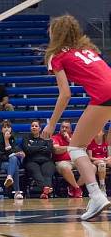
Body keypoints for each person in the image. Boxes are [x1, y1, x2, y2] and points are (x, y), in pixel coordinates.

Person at [41, 14, 111, 220]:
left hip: (104, 94)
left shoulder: (56, 56)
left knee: (75, 147)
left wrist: (51, 125)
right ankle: (97, 195)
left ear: (55, 33)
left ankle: (97, 194)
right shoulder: (87, 49)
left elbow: (65, 94)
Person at [0, 120, 25, 200]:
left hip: (11, 162)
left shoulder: (13, 139)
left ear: (11, 129)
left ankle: (9, 177)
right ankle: (17, 192)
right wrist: (6, 141)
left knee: (14, 160)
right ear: (1, 130)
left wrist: (21, 153)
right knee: (14, 162)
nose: (6, 129)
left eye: (8, 127)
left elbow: (17, 150)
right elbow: (3, 157)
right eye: (4, 127)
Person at [22, 121, 55, 199]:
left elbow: (49, 150)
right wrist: (41, 147)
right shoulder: (26, 138)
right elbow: (27, 150)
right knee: (36, 172)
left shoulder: (46, 137)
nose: (34, 127)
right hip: (31, 161)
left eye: (36, 126)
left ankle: (45, 192)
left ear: (40, 128)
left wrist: (33, 147)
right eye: (32, 126)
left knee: (47, 174)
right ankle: (46, 189)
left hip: (46, 160)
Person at [51, 121, 85, 199]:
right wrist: (72, 146)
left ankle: (73, 187)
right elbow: (56, 150)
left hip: (76, 161)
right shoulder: (55, 137)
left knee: (92, 167)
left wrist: (69, 141)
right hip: (62, 161)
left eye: (66, 127)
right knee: (65, 167)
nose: (64, 129)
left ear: (71, 129)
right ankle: (77, 188)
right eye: (62, 127)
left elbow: (82, 149)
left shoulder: (75, 138)